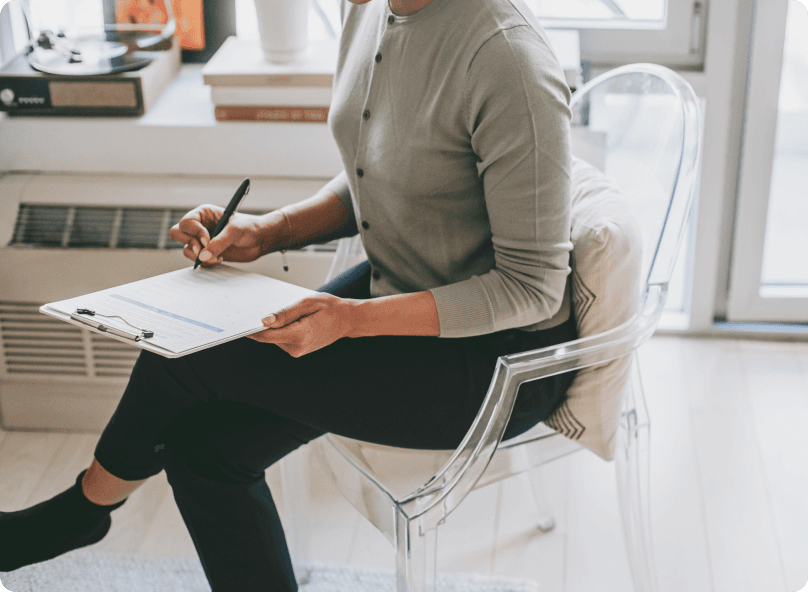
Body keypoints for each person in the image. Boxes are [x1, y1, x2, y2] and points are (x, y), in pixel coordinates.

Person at [0, 0, 578, 589]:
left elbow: (531, 288)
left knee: (180, 357)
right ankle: (79, 515)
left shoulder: (508, 58)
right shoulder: (371, 9)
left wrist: (350, 321)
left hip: (497, 361)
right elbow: (383, 174)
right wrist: (267, 230)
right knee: (205, 454)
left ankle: (77, 515)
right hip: (399, 285)